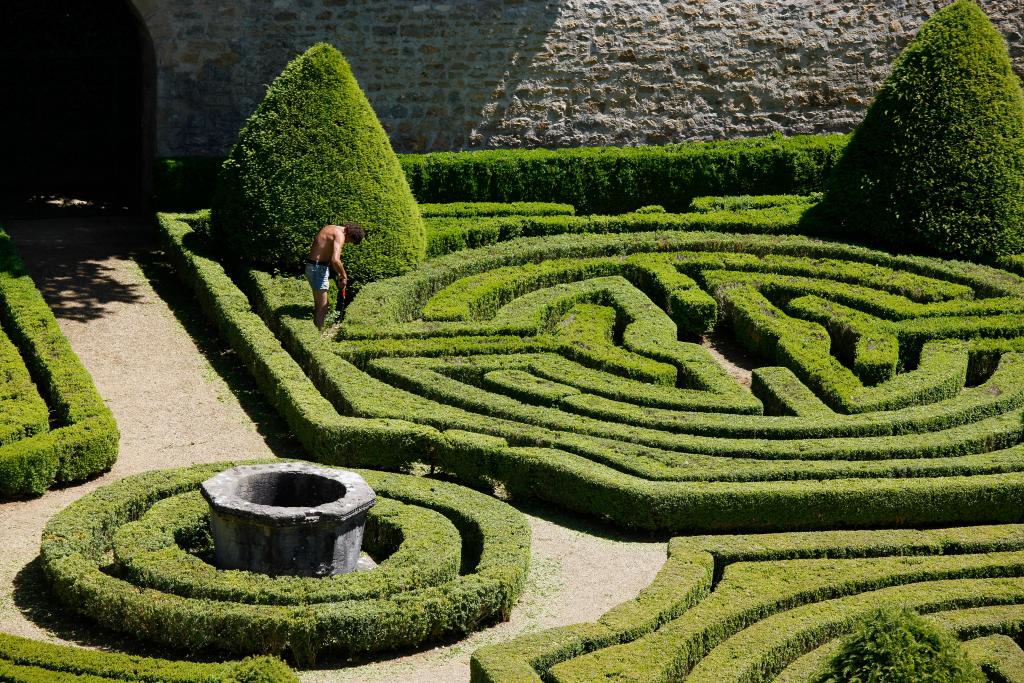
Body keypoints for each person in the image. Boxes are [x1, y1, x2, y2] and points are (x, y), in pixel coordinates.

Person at [305, 222, 365, 328]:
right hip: (317, 268)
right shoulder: (340, 235)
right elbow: (335, 260)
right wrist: (344, 276)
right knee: (323, 306)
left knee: (320, 304)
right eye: (349, 241)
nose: (346, 243)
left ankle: (317, 330)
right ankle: (319, 335)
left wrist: (339, 275)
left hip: (315, 267)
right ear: (349, 234)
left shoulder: (332, 228)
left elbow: (328, 257)